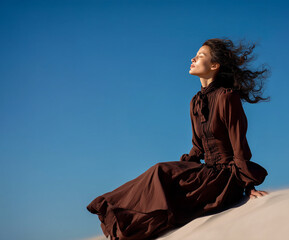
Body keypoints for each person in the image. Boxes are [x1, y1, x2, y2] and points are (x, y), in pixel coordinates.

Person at [87, 38, 269, 240]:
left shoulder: (228, 97)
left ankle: (122, 224)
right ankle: (119, 222)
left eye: (200, 56)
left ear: (215, 65)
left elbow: (239, 147)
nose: (192, 58)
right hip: (206, 173)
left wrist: (248, 186)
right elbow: (197, 149)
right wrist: (180, 171)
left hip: (225, 180)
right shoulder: (195, 102)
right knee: (164, 177)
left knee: (160, 172)